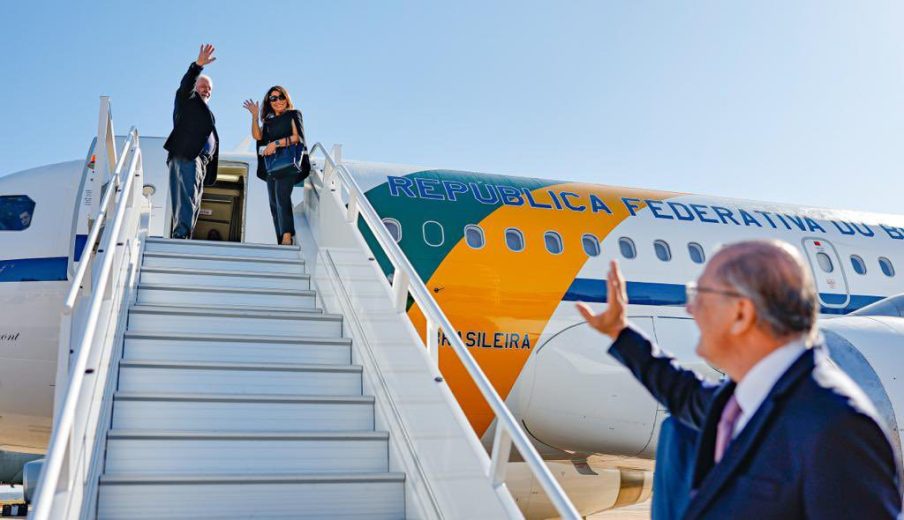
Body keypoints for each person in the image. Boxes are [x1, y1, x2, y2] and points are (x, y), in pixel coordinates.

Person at [576, 240, 901, 519]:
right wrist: (620, 333)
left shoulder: (835, 424)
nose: (690, 308)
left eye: (701, 295)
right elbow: (683, 393)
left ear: (742, 313)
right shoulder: (742, 398)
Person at [164, 44, 220, 239]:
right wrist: (197, 66)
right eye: (203, 86)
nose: (207, 90)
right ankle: (181, 235)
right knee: (186, 198)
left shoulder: (206, 111)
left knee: (193, 201)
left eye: (210, 88)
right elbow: (186, 86)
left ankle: (184, 234)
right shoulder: (186, 101)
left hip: (199, 161)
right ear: (196, 87)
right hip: (187, 155)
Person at [243, 86, 308, 245]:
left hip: (288, 163)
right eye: (273, 98)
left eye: (281, 97)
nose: (278, 101)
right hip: (272, 166)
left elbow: (296, 138)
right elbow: (258, 136)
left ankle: (287, 236)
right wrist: (254, 116)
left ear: (286, 99)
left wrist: (276, 144)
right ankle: (281, 238)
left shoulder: (293, 114)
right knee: (273, 202)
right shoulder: (269, 121)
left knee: (282, 197)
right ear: (269, 102)